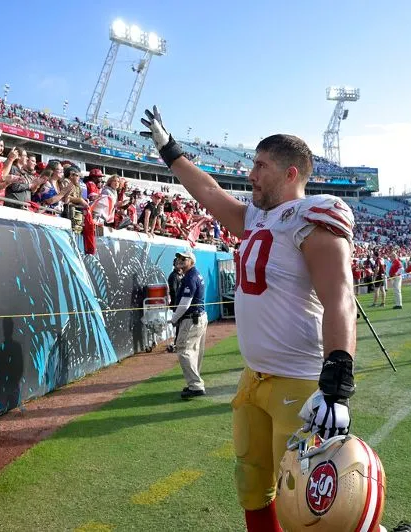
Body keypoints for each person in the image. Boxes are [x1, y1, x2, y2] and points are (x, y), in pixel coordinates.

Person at [141, 107, 356, 531]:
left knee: (311, 506)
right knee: (253, 487)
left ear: (291, 173)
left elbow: (340, 300)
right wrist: (171, 152)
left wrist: (337, 380)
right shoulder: (257, 217)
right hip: (253, 379)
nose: (251, 173)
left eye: (260, 165)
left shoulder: (313, 217)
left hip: (299, 380)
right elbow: (208, 192)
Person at [169, 250, 207, 399]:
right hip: (198, 317)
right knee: (194, 351)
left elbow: (185, 303)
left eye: (184, 258)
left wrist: (173, 319)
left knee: (183, 349)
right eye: (179, 258)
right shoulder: (194, 274)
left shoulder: (190, 277)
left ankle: (196, 385)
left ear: (191, 261)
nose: (180, 260)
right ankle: (195, 383)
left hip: (192, 318)